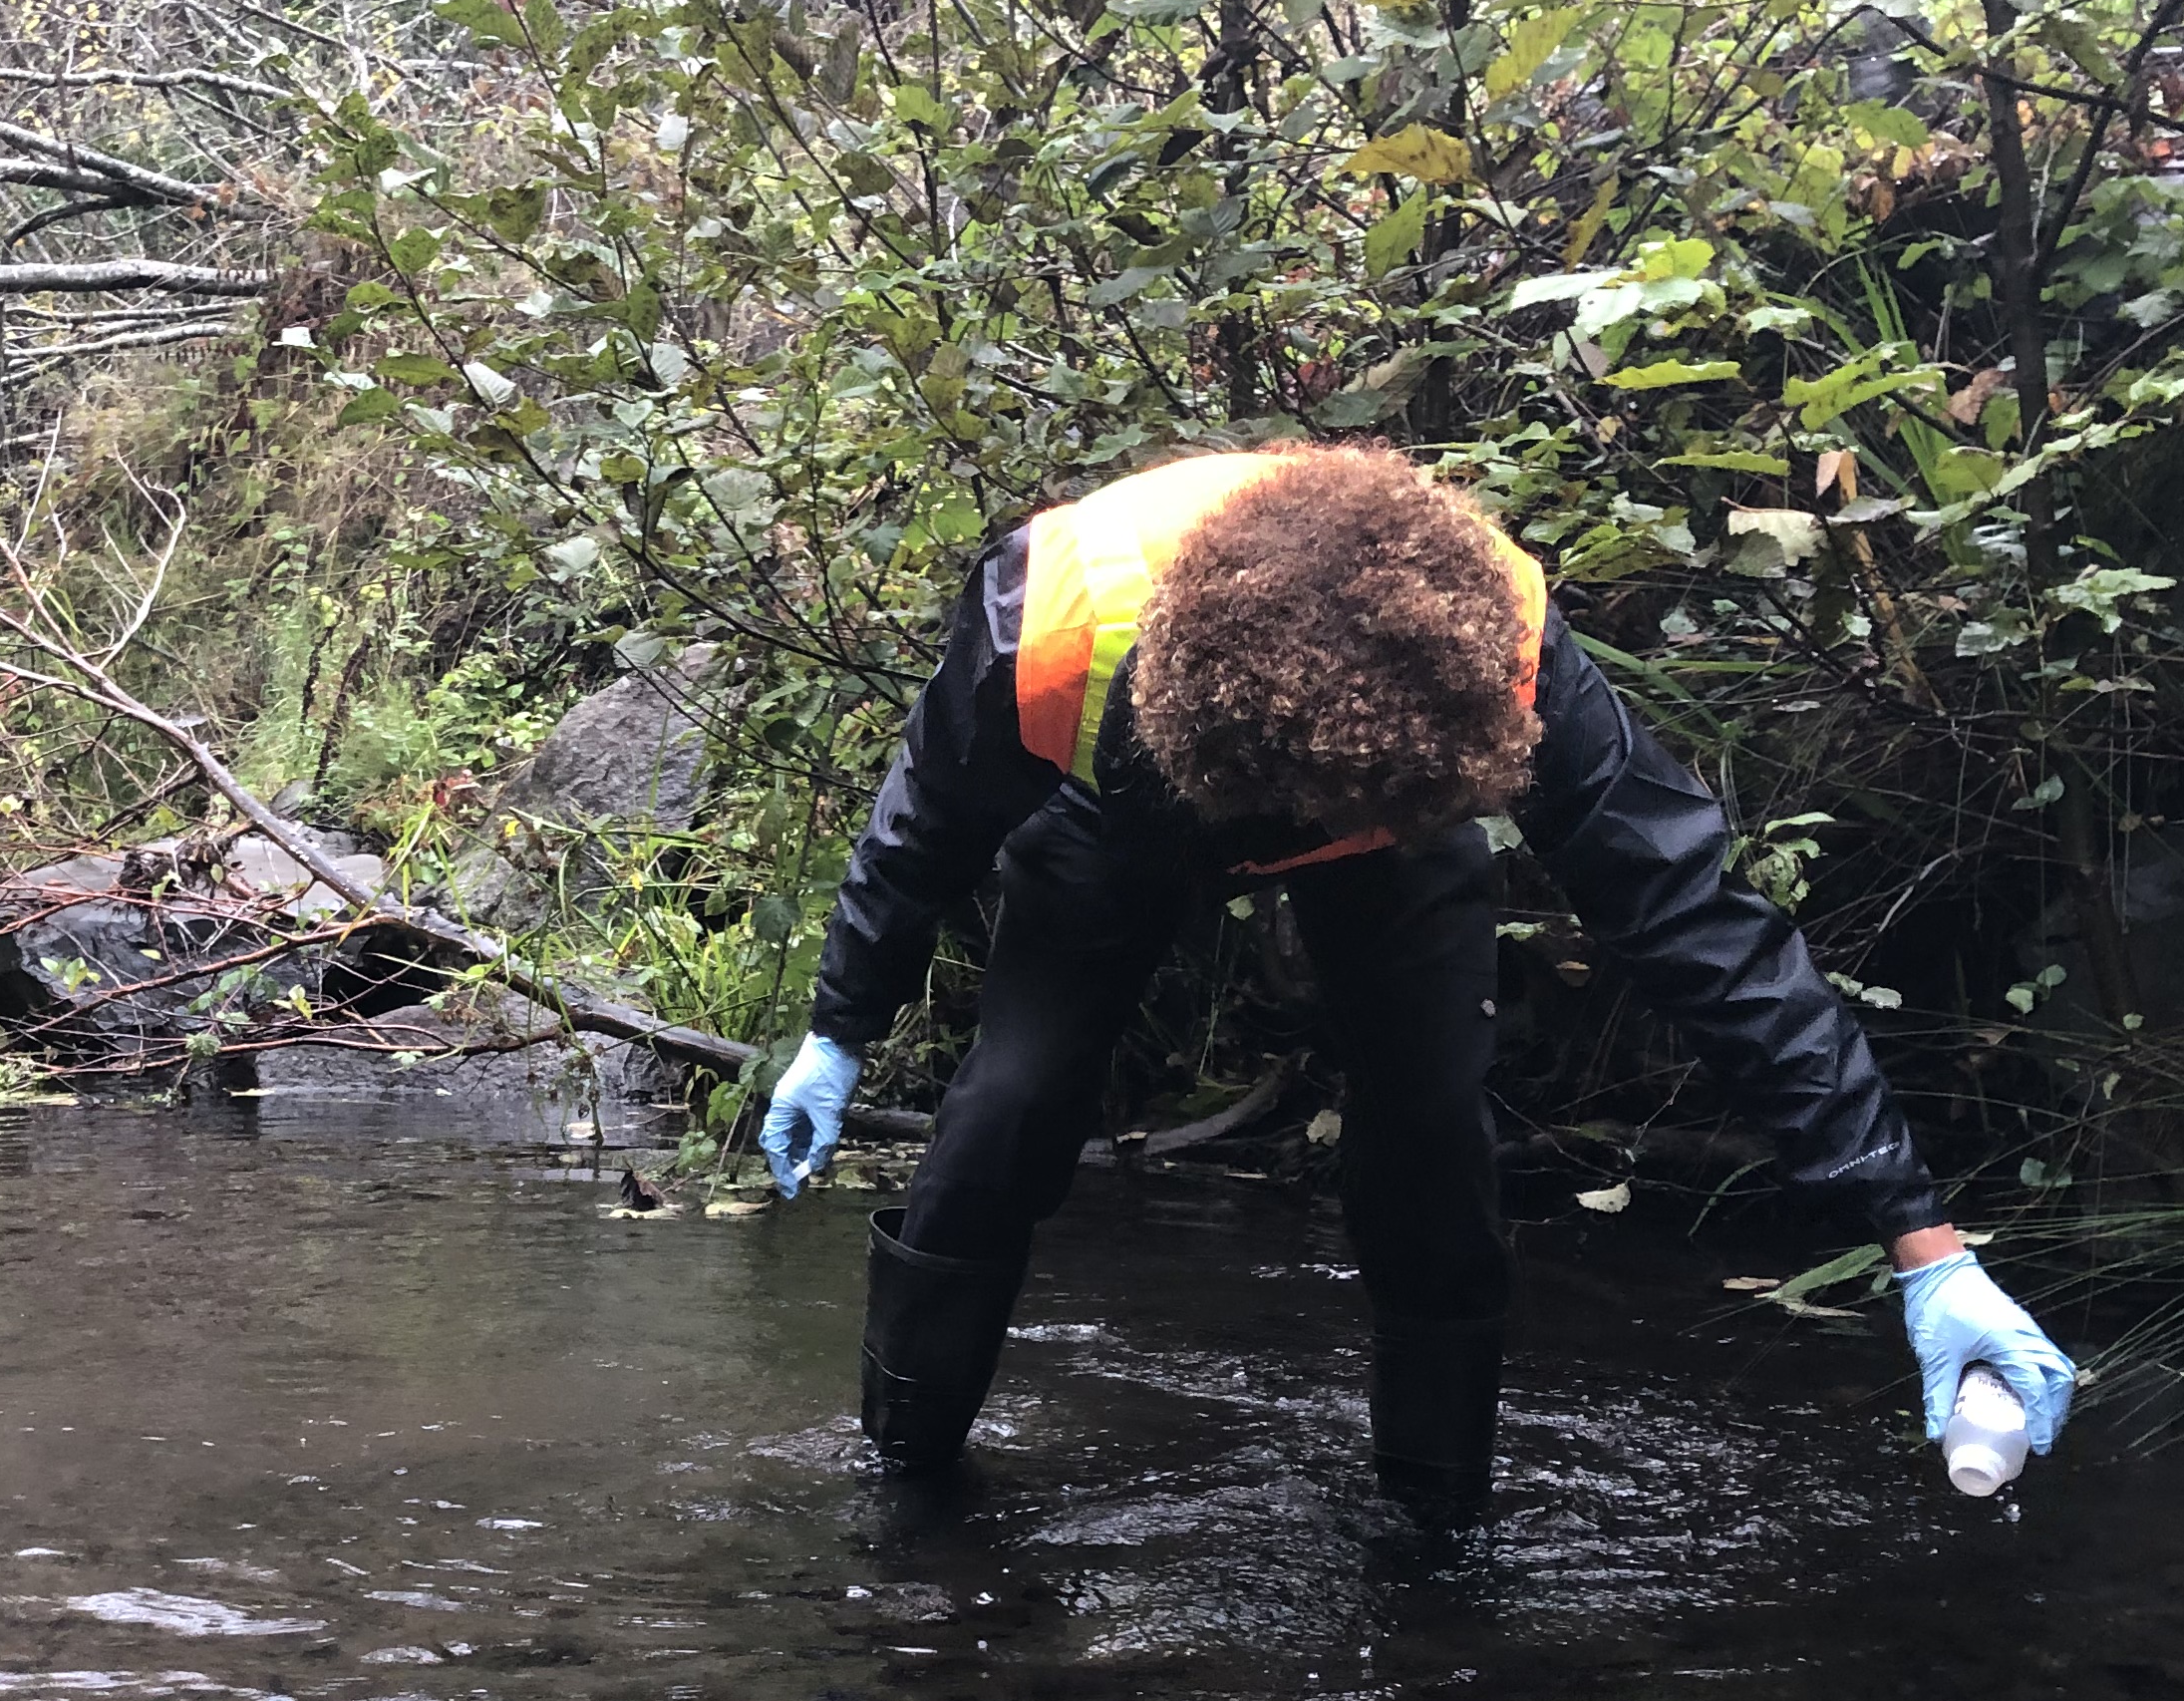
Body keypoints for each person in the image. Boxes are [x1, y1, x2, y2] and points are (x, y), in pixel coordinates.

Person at [758, 441, 2074, 1528]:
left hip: (1396, 801)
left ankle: (1435, 1528)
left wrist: (1922, 1245)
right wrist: (840, 1028)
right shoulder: (1039, 632)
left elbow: (1699, 925)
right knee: (1009, 1110)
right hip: (1117, 811)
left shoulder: (1487, 647)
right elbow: (925, 823)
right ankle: (903, 1481)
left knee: (1435, 1138)